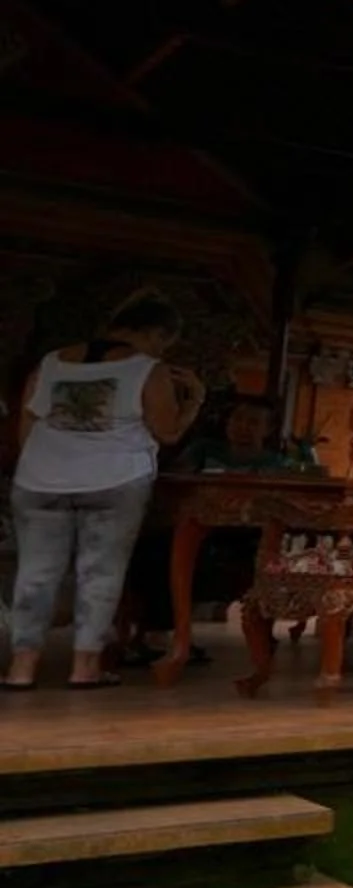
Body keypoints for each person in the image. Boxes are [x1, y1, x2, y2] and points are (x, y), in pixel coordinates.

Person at [7, 294, 204, 689]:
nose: (161, 351)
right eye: (163, 343)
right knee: (100, 573)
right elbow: (166, 432)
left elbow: (27, 421)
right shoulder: (149, 369)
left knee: (35, 573)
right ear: (154, 334)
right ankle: (85, 668)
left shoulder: (52, 362)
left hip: (40, 478)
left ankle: (21, 668)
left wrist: (38, 464)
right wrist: (195, 400)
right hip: (114, 480)